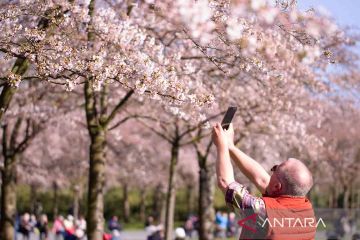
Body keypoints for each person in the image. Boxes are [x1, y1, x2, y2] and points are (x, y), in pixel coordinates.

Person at [212, 123, 316, 239]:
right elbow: (262, 180)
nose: (271, 173)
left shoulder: (263, 211)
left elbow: (225, 183)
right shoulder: (305, 210)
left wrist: (221, 146)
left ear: (277, 186)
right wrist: (230, 146)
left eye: (275, 169)